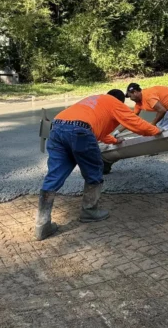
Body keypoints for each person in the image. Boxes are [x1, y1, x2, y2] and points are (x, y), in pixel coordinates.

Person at [36, 89, 161, 241]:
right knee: (94, 170)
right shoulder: (115, 103)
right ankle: (89, 212)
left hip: (57, 127)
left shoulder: (93, 100)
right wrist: (156, 131)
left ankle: (42, 225)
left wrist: (114, 141)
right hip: (79, 131)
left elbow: (95, 127)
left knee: (54, 175)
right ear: (120, 100)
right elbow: (136, 123)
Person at [125, 83, 168, 164]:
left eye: (130, 96)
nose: (130, 99)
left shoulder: (148, 96)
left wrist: (153, 123)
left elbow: (162, 110)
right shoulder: (139, 102)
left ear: (134, 92)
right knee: (156, 129)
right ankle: (155, 149)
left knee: (166, 132)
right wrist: (119, 131)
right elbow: (132, 118)